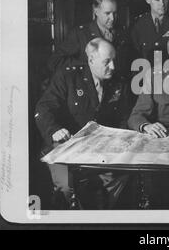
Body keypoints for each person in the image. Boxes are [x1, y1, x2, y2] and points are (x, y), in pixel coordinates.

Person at [35, 38, 133, 209]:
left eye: (114, 60)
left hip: (101, 149)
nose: (113, 67)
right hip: (65, 146)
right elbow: (44, 108)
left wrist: (117, 139)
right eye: (107, 62)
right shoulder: (68, 76)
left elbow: (125, 116)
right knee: (65, 188)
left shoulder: (119, 81)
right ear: (91, 60)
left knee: (123, 176)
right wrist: (54, 130)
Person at [48, 0, 134, 79]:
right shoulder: (80, 34)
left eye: (115, 13)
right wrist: (89, 66)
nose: (112, 18)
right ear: (96, 11)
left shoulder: (123, 33)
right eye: (107, 13)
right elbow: (54, 61)